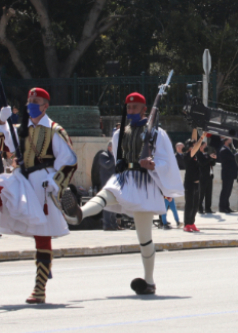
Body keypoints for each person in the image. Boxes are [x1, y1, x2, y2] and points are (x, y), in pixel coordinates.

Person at [0, 87, 82, 304]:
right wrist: (0, 121)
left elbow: (69, 161)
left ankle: (40, 288)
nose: (31, 104)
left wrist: (57, 184)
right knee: (1, 190)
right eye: (29, 100)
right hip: (21, 177)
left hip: (43, 183)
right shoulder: (20, 128)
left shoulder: (55, 131)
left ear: (45, 105)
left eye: (36, 101)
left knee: (42, 237)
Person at [73, 92, 182, 295]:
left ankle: (149, 281)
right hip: (125, 179)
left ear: (144, 108)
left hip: (145, 184)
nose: (130, 111)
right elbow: (118, 159)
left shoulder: (157, 133)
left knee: (144, 238)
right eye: (128, 108)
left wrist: (152, 164)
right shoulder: (119, 133)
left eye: (134, 107)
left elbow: (167, 162)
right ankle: (79, 213)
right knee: (105, 194)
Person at [180, 129, 207, 232]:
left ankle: (192, 223)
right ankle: (186, 224)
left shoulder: (194, 156)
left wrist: (195, 128)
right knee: (189, 204)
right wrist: (202, 138)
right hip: (189, 183)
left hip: (197, 183)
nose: (196, 146)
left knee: (196, 205)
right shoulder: (187, 156)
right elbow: (195, 145)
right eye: (193, 145)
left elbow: (194, 139)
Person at [92, 142, 118, 231]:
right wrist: (115, 157)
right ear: (109, 147)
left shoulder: (113, 157)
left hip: (115, 182)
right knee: (107, 203)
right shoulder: (103, 155)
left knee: (115, 202)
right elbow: (107, 165)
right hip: (106, 183)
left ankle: (114, 224)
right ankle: (107, 224)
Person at [217, 138, 238, 214]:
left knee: (228, 191)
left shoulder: (228, 149)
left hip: (230, 173)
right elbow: (233, 158)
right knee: (225, 191)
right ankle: (222, 207)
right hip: (227, 173)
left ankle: (227, 206)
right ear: (225, 141)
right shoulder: (223, 150)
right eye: (229, 140)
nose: (231, 141)